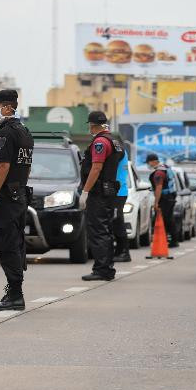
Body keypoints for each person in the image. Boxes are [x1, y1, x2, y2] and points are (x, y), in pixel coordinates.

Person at [0, 89, 34, 311]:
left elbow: (3, 166)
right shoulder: (24, 131)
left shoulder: (6, 134)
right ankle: (15, 291)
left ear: (7, 107)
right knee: (15, 242)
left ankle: (15, 294)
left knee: (6, 243)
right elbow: (26, 165)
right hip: (19, 194)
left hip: (6, 197)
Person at [79, 111, 124, 281]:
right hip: (108, 190)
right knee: (105, 229)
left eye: (90, 125)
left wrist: (85, 191)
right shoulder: (114, 140)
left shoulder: (100, 142)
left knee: (98, 231)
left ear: (93, 124)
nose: (89, 128)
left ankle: (102, 269)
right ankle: (106, 268)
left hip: (98, 192)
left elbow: (96, 168)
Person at [147, 153, 178, 248]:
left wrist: (156, 203)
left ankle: (163, 240)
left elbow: (159, 188)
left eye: (149, 162)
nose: (148, 165)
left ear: (153, 161)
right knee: (169, 219)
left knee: (161, 218)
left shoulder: (159, 173)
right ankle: (173, 240)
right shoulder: (165, 167)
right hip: (171, 196)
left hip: (164, 198)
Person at [113, 142, 131, 263]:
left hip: (118, 192)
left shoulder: (118, 151)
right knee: (115, 222)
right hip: (117, 191)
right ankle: (119, 251)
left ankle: (124, 252)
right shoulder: (120, 150)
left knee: (118, 221)